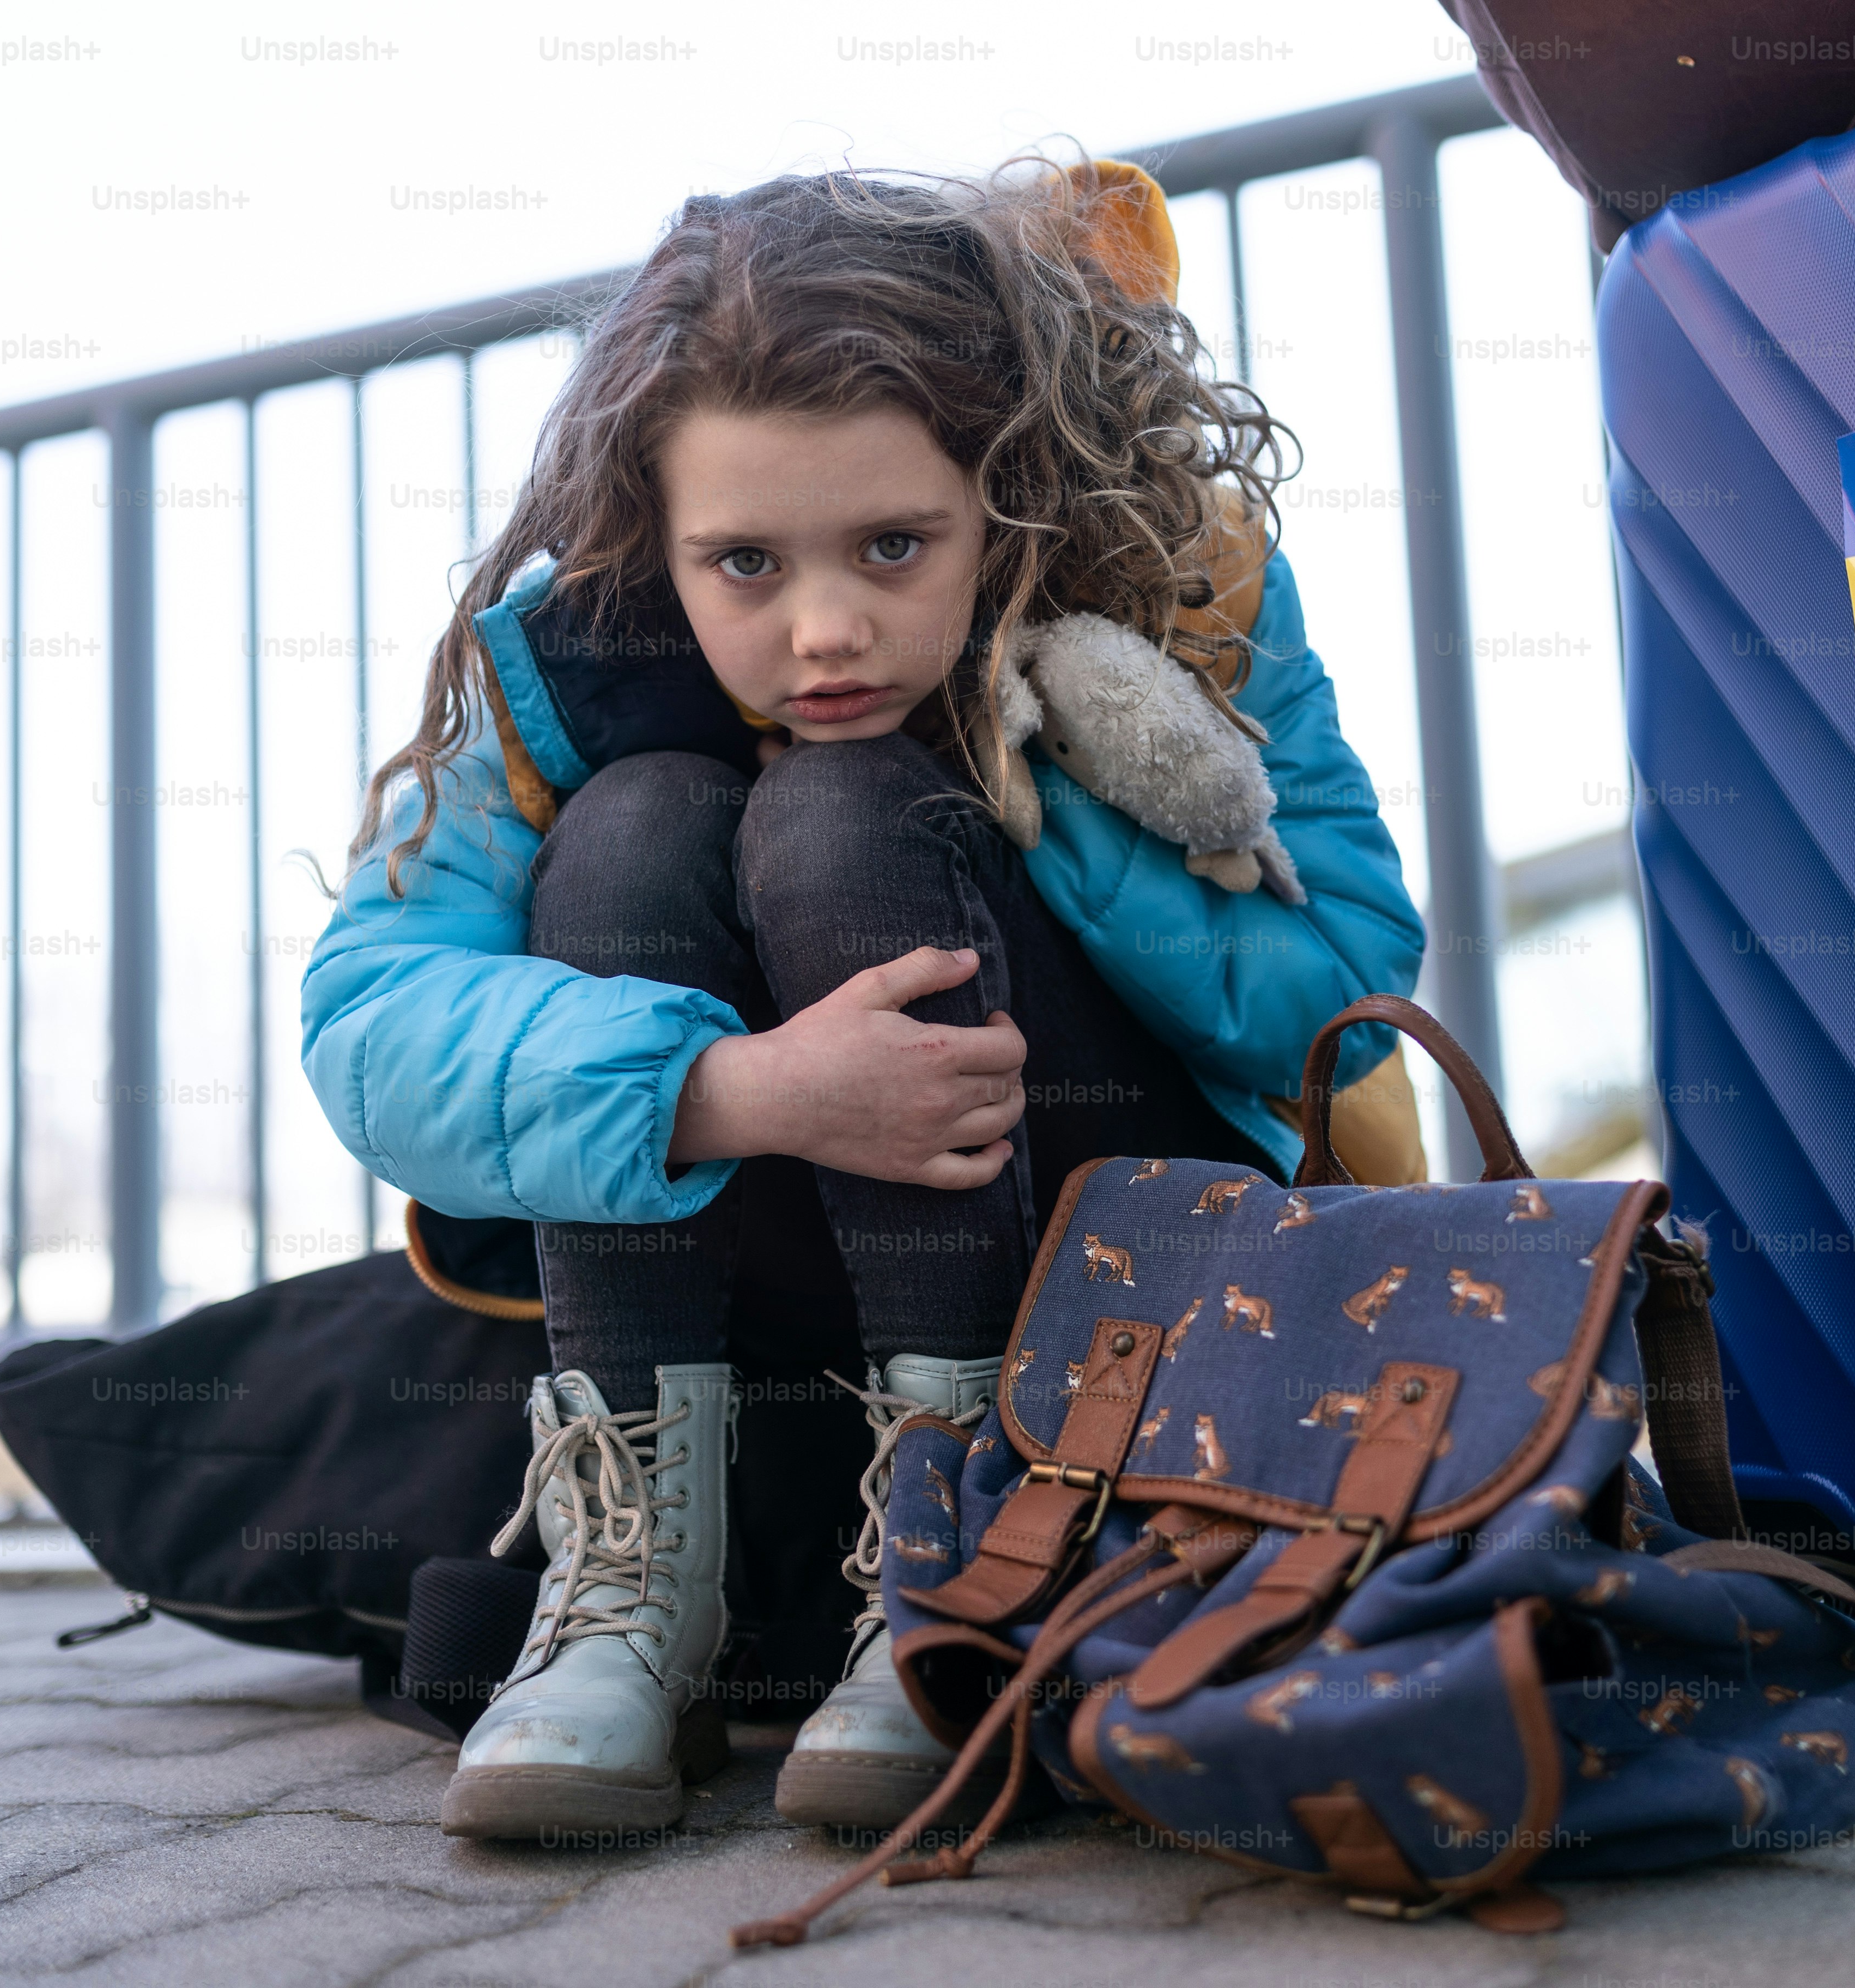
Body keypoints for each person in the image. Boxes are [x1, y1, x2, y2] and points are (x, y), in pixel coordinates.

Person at [300, 157, 1426, 1842]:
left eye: (896, 546)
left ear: (1003, 490)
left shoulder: (1172, 585)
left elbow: (1344, 982)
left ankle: (957, 1559)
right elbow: (367, 1021)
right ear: (659, 532)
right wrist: (732, 1091)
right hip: (761, 1252)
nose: (825, 630)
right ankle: (630, 1593)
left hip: (1102, 1241)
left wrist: (1028, 777)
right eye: (745, 563)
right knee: (631, 826)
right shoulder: (571, 663)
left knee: (842, 807)